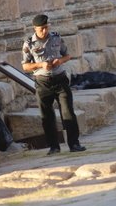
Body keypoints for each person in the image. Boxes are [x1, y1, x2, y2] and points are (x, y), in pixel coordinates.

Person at [22, 14, 86, 155]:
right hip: (42, 81)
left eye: (46, 27)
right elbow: (25, 66)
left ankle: (74, 143)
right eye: (41, 29)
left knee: (68, 112)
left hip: (60, 78)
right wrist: (41, 65)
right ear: (35, 29)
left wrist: (60, 61)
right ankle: (54, 146)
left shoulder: (56, 37)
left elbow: (67, 55)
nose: (45, 31)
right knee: (47, 116)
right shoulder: (29, 43)